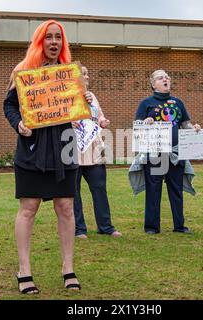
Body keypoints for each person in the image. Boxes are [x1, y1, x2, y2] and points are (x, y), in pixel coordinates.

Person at [3, 20, 92, 293]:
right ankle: (24, 270)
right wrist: (19, 124)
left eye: (58, 38)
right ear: (39, 41)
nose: (54, 42)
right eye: (48, 37)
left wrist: (83, 100)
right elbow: (9, 105)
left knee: (65, 207)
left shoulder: (68, 74)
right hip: (32, 150)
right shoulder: (24, 71)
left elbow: (76, 110)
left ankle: (68, 268)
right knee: (28, 208)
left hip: (63, 147)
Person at [133, 70, 201, 235]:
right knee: (153, 190)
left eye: (167, 77)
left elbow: (185, 124)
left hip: (176, 153)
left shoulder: (178, 102)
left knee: (176, 190)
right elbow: (137, 126)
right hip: (155, 153)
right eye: (160, 77)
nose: (165, 79)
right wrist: (145, 122)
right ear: (153, 83)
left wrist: (195, 129)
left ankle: (179, 226)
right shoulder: (146, 103)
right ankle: (151, 227)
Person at [72, 66, 122, 239]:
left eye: (87, 73)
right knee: (74, 191)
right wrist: (68, 122)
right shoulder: (66, 96)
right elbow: (59, 117)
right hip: (73, 148)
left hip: (94, 147)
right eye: (83, 73)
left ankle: (106, 226)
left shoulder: (92, 96)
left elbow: (98, 115)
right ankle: (79, 229)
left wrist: (103, 121)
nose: (87, 76)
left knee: (99, 187)